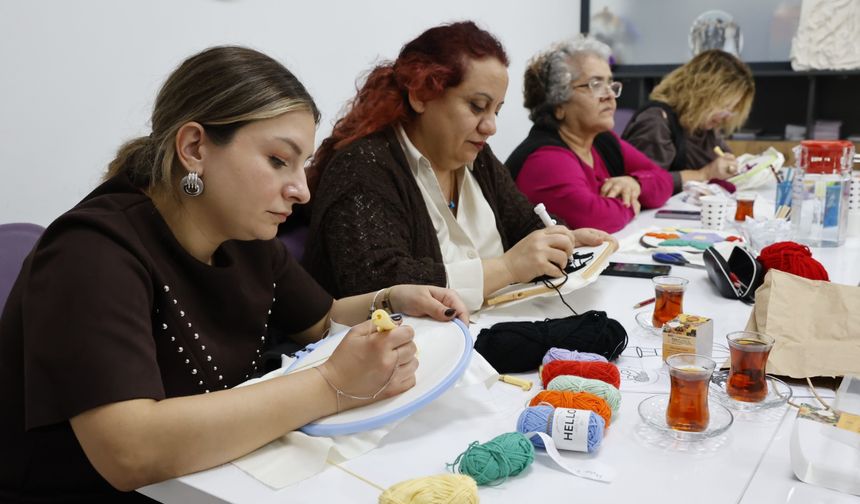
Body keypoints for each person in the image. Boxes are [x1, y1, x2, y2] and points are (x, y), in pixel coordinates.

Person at [0, 46, 469, 502]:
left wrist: (390, 299)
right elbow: (130, 451)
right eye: (278, 161)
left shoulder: (245, 234)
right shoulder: (91, 252)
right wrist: (332, 384)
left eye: (301, 165)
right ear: (194, 148)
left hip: (210, 482)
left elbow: (323, 319)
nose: (301, 190)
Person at [303, 22, 612, 311]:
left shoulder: (478, 159)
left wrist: (560, 240)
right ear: (421, 95)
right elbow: (376, 283)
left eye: (496, 111)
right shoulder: (362, 167)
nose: (490, 126)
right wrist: (507, 268)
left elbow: (523, 223)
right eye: (477, 107)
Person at [506, 36, 674, 234]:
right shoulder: (545, 158)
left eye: (611, 84)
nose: (609, 95)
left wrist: (635, 183)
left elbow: (664, 180)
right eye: (596, 85)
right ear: (558, 104)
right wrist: (629, 203)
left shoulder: (602, 141)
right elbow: (593, 218)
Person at [621, 49, 755, 194]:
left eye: (732, 110)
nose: (727, 117)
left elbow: (724, 162)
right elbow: (644, 184)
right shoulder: (656, 122)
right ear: (702, 93)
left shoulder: (703, 125)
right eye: (725, 107)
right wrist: (704, 174)